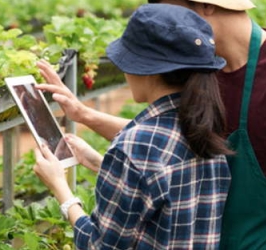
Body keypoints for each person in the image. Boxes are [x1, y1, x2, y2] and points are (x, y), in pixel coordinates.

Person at [37, 0, 266, 249]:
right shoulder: (201, 73)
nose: (168, 21)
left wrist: (63, 191)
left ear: (207, 5)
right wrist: (85, 117)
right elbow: (172, 146)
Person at [34, 4, 233, 249]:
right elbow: (159, 196)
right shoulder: (205, 129)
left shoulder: (134, 148)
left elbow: (99, 245)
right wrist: (100, 162)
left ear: (147, 70)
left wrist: (60, 188)